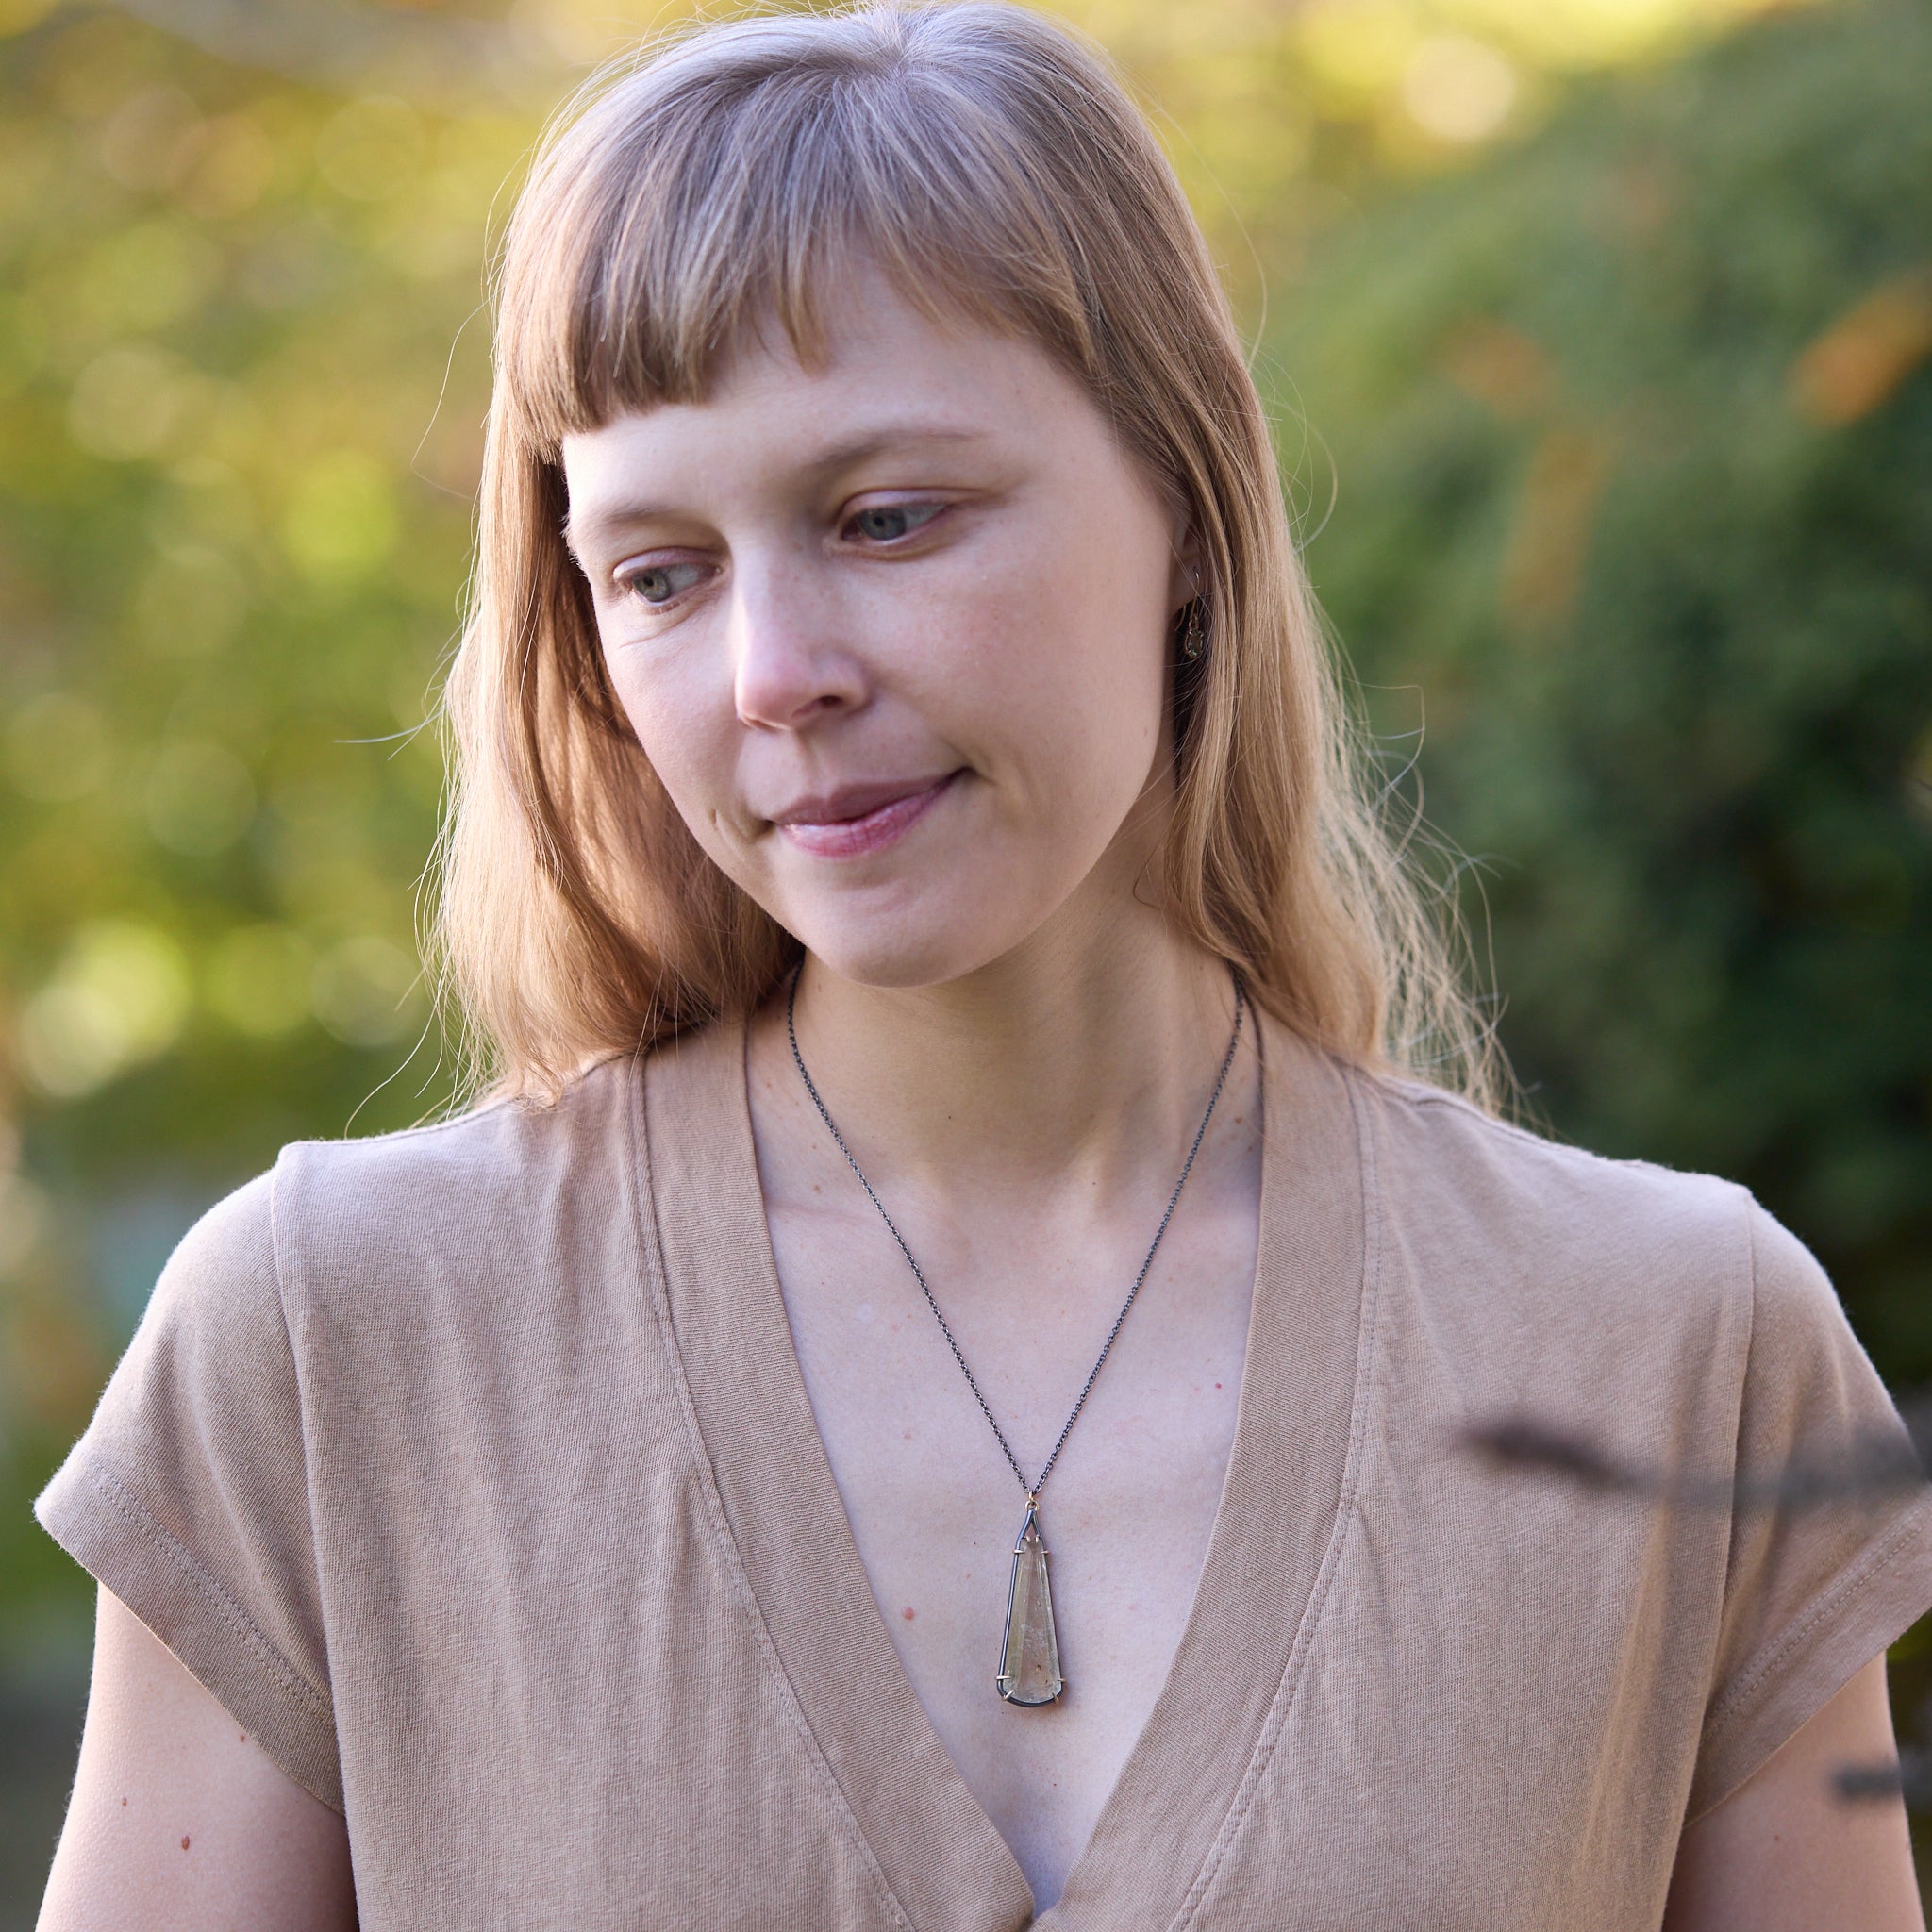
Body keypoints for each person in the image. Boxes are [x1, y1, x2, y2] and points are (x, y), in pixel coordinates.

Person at [32, 5, 1932, 1926]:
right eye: (661, 571)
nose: (774, 671)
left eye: (886, 516)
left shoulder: (1672, 1349)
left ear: (1187, 513)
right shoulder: (338, 1347)